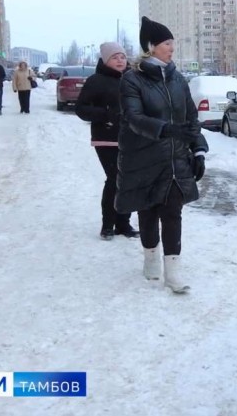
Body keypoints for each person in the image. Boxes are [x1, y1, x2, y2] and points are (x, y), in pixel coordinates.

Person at [115, 16, 208, 294]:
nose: (172, 48)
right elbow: (133, 117)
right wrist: (165, 129)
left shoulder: (178, 79)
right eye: (167, 43)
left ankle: (173, 272)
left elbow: (191, 119)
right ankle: (151, 257)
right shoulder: (132, 80)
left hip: (175, 159)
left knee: (172, 212)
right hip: (143, 157)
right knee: (148, 210)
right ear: (151, 46)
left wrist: (199, 149)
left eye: (172, 43)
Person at [76, 42, 140, 241]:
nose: (120, 60)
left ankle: (123, 223)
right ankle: (108, 225)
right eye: (115, 57)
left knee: (128, 181)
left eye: (122, 56)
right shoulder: (96, 81)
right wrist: (107, 115)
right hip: (107, 138)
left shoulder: (133, 79)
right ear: (105, 60)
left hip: (131, 138)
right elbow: (81, 109)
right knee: (114, 179)